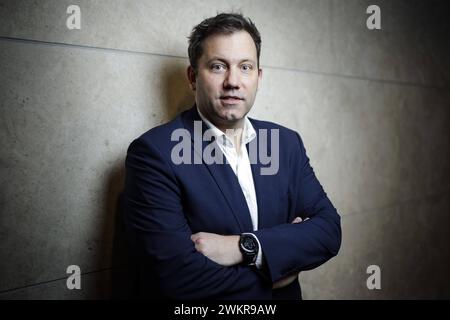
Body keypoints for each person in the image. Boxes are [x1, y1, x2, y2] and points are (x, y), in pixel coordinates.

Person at [123, 12, 341, 300]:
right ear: (192, 77)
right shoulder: (155, 153)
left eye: (246, 67)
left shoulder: (285, 143)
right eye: (217, 66)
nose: (233, 82)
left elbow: (328, 231)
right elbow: (174, 280)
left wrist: (243, 246)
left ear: (258, 77)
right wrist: (277, 272)